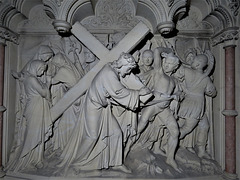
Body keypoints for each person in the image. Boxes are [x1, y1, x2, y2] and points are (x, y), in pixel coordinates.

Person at [56, 53, 151, 174]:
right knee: (92, 137)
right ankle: (76, 163)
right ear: (122, 65)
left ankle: (116, 163)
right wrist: (139, 92)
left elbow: (112, 92)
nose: (128, 72)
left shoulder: (111, 69)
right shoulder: (110, 73)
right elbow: (119, 92)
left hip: (103, 107)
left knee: (116, 133)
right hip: (94, 107)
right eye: (128, 69)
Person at [136, 48, 182, 173]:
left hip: (164, 109)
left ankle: (170, 158)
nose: (167, 66)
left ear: (175, 67)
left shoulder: (174, 80)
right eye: (166, 63)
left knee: (175, 131)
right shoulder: (159, 72)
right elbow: (156, 51)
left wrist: (177, 95)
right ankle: (127, 146)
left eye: (170, 65)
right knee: (140, 126)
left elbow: (177, 92)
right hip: (154, 105)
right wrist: (168, 51)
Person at [7, 60, 52, 172]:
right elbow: (44, 93)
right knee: (33, 136)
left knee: (39, 134)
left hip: (37, 107)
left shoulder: (30, 78)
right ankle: (27, 160)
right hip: (35, 108)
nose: (42, 72)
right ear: (35, 67)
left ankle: (37, 159)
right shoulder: (31, 79)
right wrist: (48, 83)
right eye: (41, 70)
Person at [177, 53, 216, 158]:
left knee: (203, 126)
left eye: (194, 61)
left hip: (191, 105)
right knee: (186, 129)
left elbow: (177, 76)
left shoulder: (187, 71)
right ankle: (170, 142)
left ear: (198, 65)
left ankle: (201, 150)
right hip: (196, 105)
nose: (191, 62)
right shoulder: (205, 78)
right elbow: (211, 92)